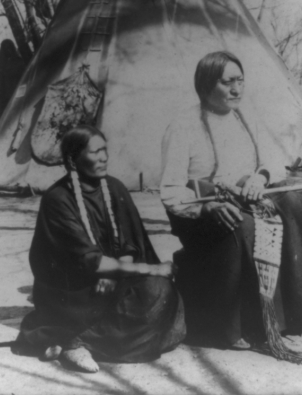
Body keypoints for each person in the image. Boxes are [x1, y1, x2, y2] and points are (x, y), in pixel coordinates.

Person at [160, 51, 302, 361]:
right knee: (245, 226)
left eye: (240, 81)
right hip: (206, 210)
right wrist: (206, 208)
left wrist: (259, 178)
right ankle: (246, 325)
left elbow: (274, 161)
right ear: (207, 85)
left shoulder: (246, 118)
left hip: (248, 196)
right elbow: (171, 191)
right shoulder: (183, 125)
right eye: (227, 82)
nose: (237, 89)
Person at [16, 125, 185, 373]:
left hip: (113, 279)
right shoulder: (58, 199)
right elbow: (86, 260)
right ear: (73, 160)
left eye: (105, 150)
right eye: (95, 152)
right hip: (75, 289)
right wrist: (147, 268)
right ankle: (76, 341)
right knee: (152, 286)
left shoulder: (114, 188)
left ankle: (80, 341)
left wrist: (114, 273)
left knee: (160, 291)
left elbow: (129, 243)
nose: (104, 157)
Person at [0, 39, 26, 119]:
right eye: (6, 48)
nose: (8, 50)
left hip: (16, 91)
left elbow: (23, 77)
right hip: (4, 93)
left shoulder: (18, 61)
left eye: (10, 48)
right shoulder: (0, 62)